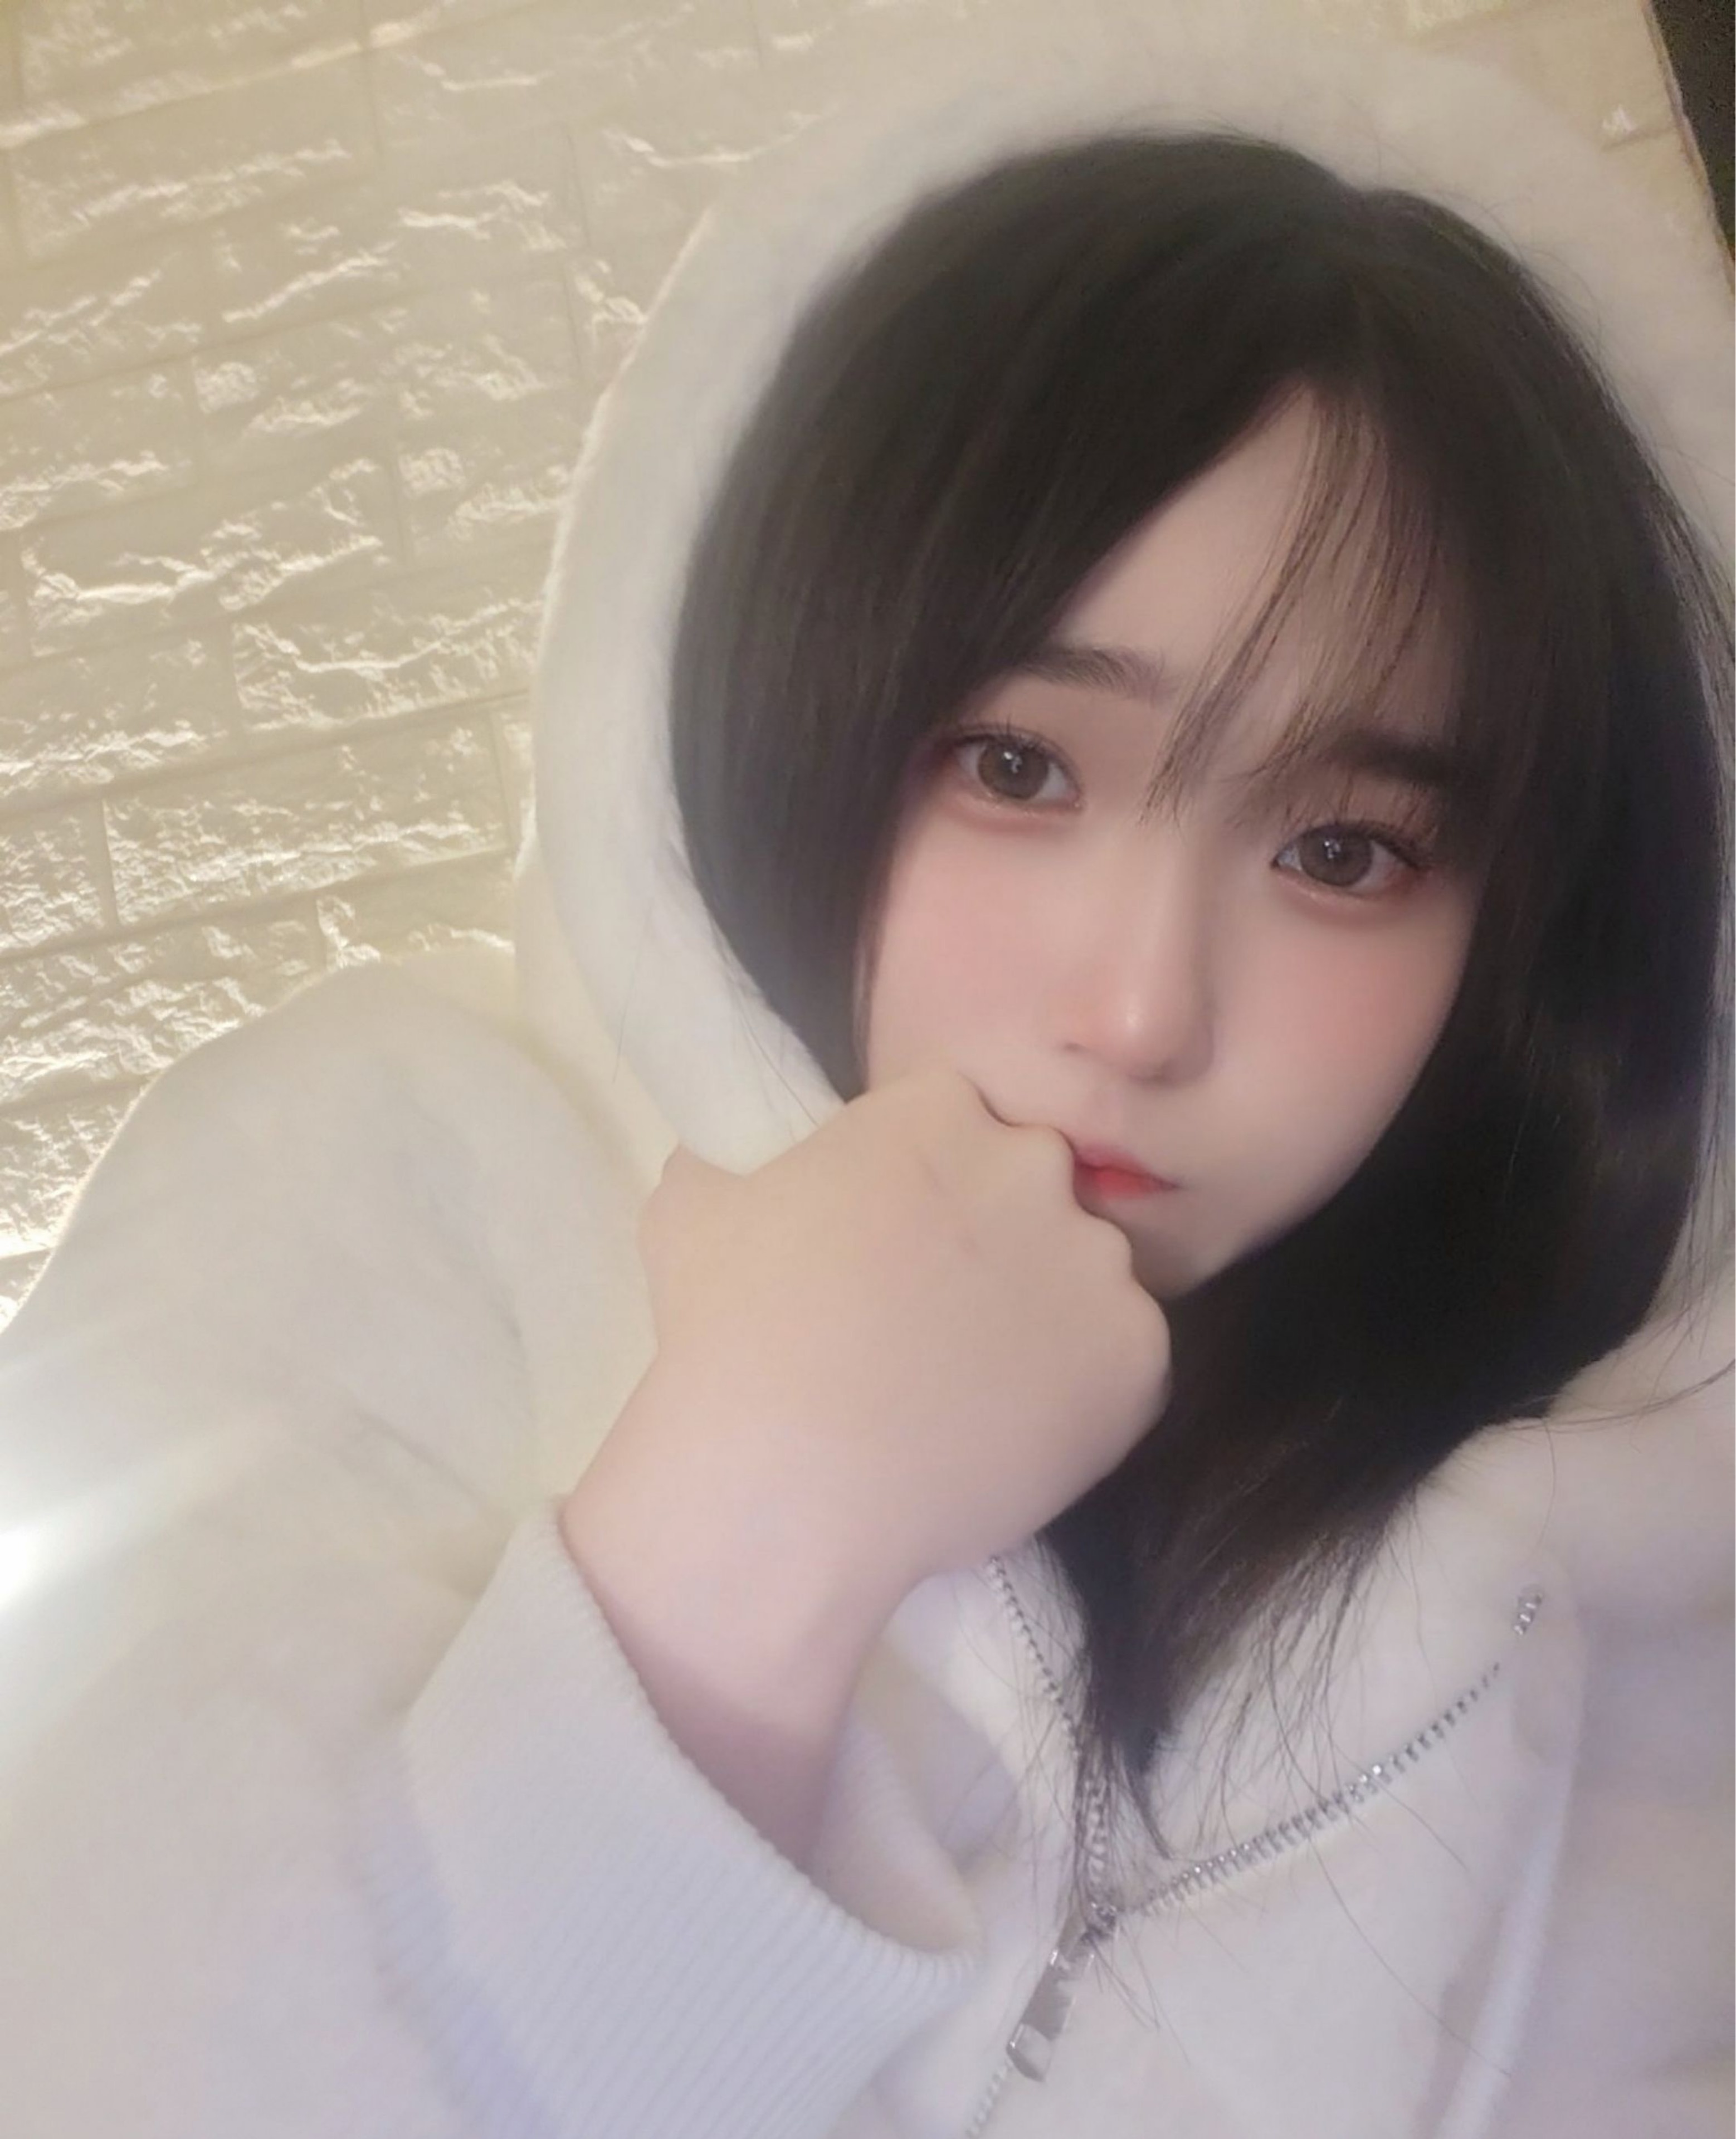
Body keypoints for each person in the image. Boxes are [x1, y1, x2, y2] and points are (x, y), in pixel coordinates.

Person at [0, 8, 1728, 2137]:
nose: (1139, 1011)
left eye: (1342, 852)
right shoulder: (375, 1207)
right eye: (1016, 766)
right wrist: (743, 1549)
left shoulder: (1653, 1548)